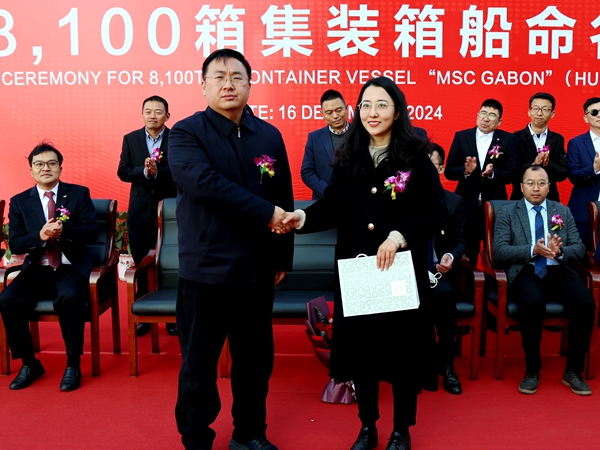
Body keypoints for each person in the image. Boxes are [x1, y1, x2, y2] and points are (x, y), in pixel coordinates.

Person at [283, 77, 448, 450]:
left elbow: (436, 214)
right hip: (359, 271)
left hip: (399, 272)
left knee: (403, 355)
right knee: (364, 354)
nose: (373, 113)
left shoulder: (415, 158)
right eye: (366, 105)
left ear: (397, 111)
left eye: (382, 105)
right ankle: (368, 426)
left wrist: (399, 236)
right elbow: (332, 205)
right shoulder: (350, 157)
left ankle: (401, 430)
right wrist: (302, 218)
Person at [168, 49, 294, 450]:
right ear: (203, 85)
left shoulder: (268, 135)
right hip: (207, 269)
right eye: (219, 77)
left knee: (255, 359)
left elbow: (283, 194)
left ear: (249, 84)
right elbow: (204, 183)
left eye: (237, 77)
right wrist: (266, 212)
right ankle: (196, 437)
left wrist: (281, 255)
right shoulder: (186, 133)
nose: (228, 84)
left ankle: (250, 433)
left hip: (256, 269)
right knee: (199, 363)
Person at [0, 142, 98, 392]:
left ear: (60, 168)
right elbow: (15, 243)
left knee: (70, 298)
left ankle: (73, 364)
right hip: (37, 270)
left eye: (52, 163)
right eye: (39, 164)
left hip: (69, 268)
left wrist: (65, 231)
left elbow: (91, 232)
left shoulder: (78, 194)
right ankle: (29, 363)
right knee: (7, 299)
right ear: (31, 170)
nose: (46, 168)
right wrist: (40, 236)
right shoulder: (20, 201)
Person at [494, 165, 595, 395]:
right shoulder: (508, 213)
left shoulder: (562, 211)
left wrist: (560, 252)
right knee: (532, 303)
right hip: (526, 269)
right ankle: (532, 369)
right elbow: (499, 252)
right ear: (521, 187)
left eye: (541, 183)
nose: (536, 188)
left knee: (585, 304)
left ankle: (573, 370)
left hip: (557, 268)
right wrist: (533, 249)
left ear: (549, 187)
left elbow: (579, 248)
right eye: (530, 183)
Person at [117, 95, 178, 337]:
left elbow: (181, 170)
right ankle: (144, 316)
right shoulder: (130, 139)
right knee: (141, 261)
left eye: (158, 111)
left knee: (170, 263)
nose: (153, 115)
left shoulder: (177, 138)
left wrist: (158, 171)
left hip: (170, 208)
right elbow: (123, 171)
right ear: (142, 114)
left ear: (167, 115)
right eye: (148, 111)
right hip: (140, 210)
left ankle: (172, 315)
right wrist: (143, 171)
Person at [445, 99, 517, 264]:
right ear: (477, 115)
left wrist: (493, 173)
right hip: (466, 206)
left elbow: (512, 173)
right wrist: (466, 171)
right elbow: (449, 171)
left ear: (499, 121)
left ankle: (493, 281)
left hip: (494, 207)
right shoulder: (462, 136)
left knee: (496, 254)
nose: (486, 118)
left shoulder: (507, 139)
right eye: (483, 113)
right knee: (465, 254)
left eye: (492, 115)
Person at [427, 143, 467, 395]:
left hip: (438, 271)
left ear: (441, 169)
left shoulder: (453, 202)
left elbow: (460, 241)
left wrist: (451, 256)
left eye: (430, 166)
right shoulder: (400, 199)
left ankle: (446, 363)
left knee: (444, 295)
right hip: (406, 271)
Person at [511, 92, 567, 202]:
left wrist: (549, 164)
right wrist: (533, 164)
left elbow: (563, 173)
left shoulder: (557, 139)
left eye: (545, 109)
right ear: (529, 111)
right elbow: (511, 173)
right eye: (535, 108)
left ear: (552, 114)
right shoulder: (515, 138)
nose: (539, 113)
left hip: (550, 200)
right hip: (520, 199)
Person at [301, 89, 350, 199]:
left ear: (346, 108)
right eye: (329, 112)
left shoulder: (361, 135)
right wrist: (328, 191)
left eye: (339, 110)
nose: (335, 116)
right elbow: (307, 172)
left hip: (355, 201)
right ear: (322, 113)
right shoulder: (314, 138)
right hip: (324, 201)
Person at [567, 97, 600, 247]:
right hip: (584, 208)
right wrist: (594, 169)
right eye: (594, 112)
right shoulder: (576, 143)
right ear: (586, 118)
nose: (599, 115)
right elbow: (574, 176)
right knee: (580, 253)